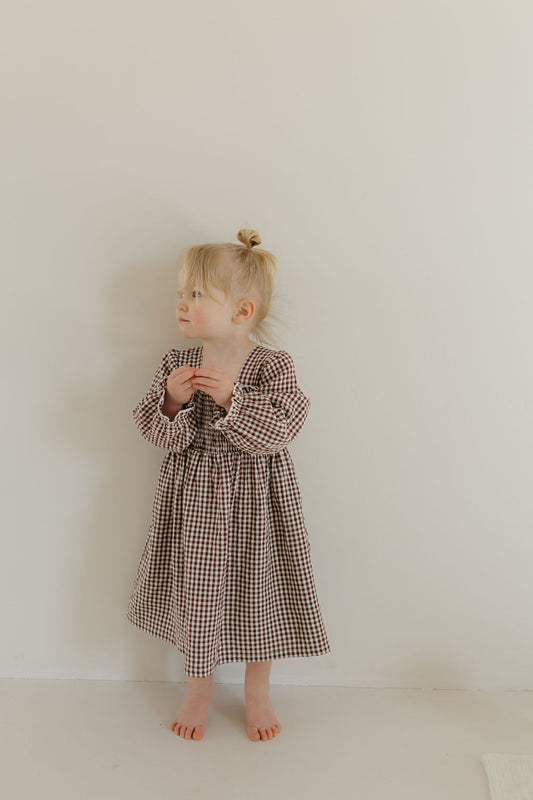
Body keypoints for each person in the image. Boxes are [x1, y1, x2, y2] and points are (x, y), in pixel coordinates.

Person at [126, 228, 331, 742]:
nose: (182, 303)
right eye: (181, 292)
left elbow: (283, 428)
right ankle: (198, 688)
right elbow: (157, 434)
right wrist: (171, 402)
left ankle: (258, 688)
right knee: (198, 591)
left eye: (197, 294)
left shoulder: (270, 365)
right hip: (195, 499)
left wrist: (232, 399)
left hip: (258, 500)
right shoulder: (177, 365)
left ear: (242, 311)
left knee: (259, 588)